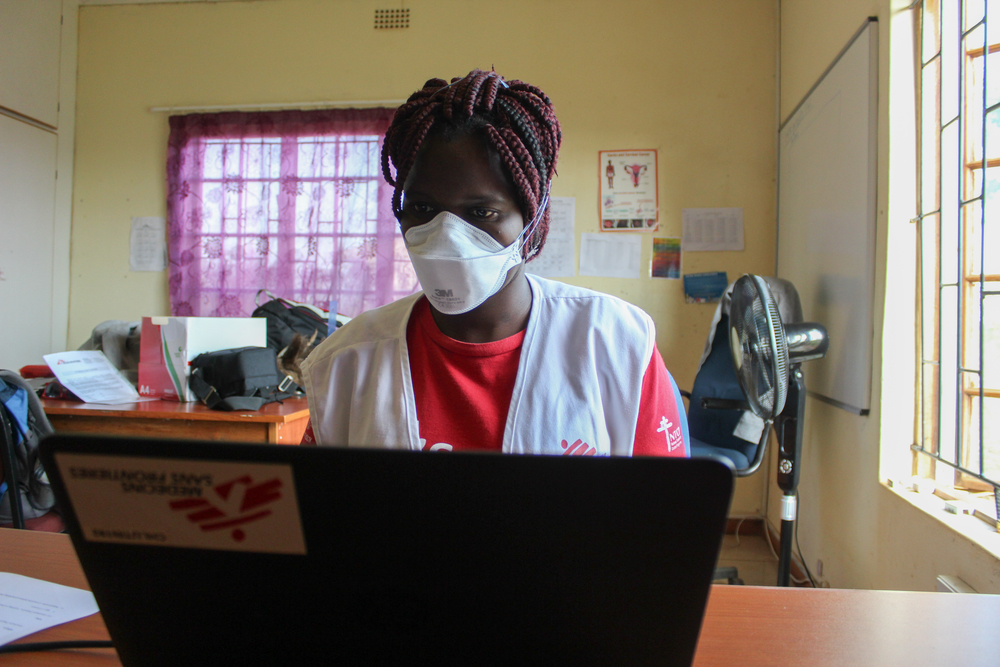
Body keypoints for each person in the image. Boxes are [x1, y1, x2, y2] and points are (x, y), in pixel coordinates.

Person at [300, 69, 689, 457]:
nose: (447, 236)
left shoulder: (614, 342)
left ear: (532, 218)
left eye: (482, 212)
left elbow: (662, 508)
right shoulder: (345, 362)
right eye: (422, 208)